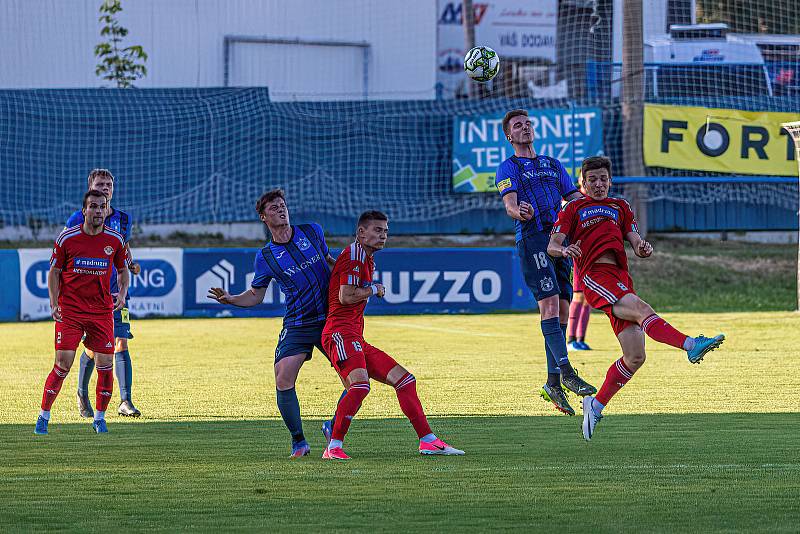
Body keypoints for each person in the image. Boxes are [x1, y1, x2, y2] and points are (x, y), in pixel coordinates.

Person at [547, 156, 725, 441]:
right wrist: (564, 251)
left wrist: (643, 248)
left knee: (635, 356)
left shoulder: (621, 207)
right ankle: (691, 345)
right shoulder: (573, 208)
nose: (598, 184)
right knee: (643, 309)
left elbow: (635, 240)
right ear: (582, 182)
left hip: (620, 278)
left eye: (603, 179)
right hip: (595, 277)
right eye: (592, 180)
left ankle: (596, 404)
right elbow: (553, 245)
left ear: (610, 181)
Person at [320, 210, 464, 460]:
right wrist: (373, 289)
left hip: (354, 335)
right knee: (360, 386)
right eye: (377, 230)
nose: (383, 235)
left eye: (386, 231)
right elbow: (346, 296)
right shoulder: (355, 254)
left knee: (405, 380)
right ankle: (333, 446)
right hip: (339, 334)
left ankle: (428, 441)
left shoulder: (364, 256)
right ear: (361, 232)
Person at [208, 189, 340, 458]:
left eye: (283, 205)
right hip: (298, 323)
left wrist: (353, 280)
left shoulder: (312, 231)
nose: (281, 209)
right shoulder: (265, 257)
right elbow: (256, 294)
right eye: (274, 208)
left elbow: (331, 264)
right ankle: (299, 442)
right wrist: (231, 299)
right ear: (263, 217)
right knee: (283, 377)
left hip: (330, 319)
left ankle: (334, 427)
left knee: (354, 379)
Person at [495, 108, 595, 417]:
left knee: (563, 309)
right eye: (518, 126)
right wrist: (518, 211)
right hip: (533, 238)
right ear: (509, 136)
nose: (525, 128)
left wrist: (598, 206)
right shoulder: (507, 167)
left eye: (527, 124)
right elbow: (510, 205)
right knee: (550, 305)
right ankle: (566, 371)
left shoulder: (552, 165)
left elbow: (574, 197)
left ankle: (552, 382)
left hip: (559, 241)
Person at [34, 190, 129, 435]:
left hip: (101, 311)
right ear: (84, 210)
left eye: (102, 207)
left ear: (107, 210)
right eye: (93, 207)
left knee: (105, 364)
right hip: (71, 311)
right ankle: (44, 416)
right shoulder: (68, 238)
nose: (98, 211)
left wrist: (122, 291)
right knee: (63, 363)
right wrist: (54, 303)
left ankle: (99, 418)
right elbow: (54, 272)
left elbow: (122, 269)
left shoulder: (115, 240)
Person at [68, 169, 142, 419]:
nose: (106, 187)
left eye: (109, 184)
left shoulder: (122, 219)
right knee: (93, 347)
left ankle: (125, 401)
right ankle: (81, 392)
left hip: (116, 293)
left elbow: (124, 246)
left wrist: (130, 264)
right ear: (90, 187)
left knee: (121, 341)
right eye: (100, 184)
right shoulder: (77, 219)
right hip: (87, 295)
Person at [566, 173, 593, 351]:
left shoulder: (597, 202)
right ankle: (570, 340)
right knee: (578, 296)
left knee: (588, 299)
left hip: (592, 256)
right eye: (590, 179)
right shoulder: (573, 201)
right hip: (578, 256)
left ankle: (581, 339)